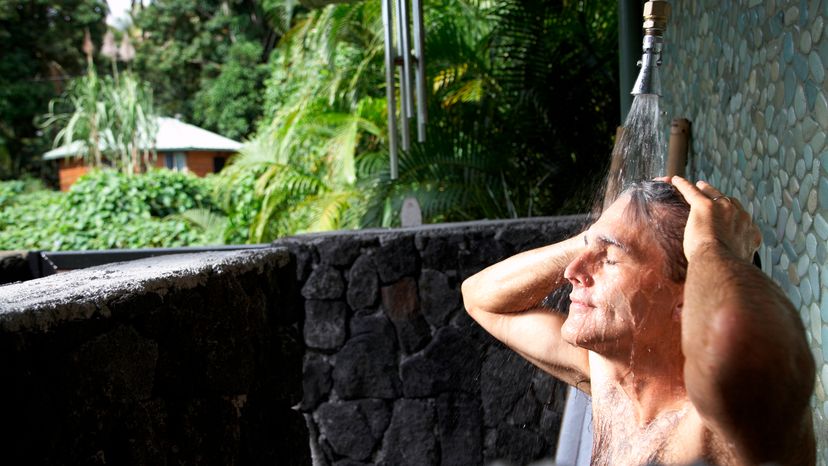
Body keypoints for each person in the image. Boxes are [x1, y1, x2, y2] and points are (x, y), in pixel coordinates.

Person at [461, 176, 815, 465]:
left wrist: (711, 246)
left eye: (610, 260)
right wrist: (598, 237)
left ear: (686, 300)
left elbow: (747, 351)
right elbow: (481, 299)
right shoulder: (613, 381)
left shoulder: (719, 427)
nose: (572, 271)